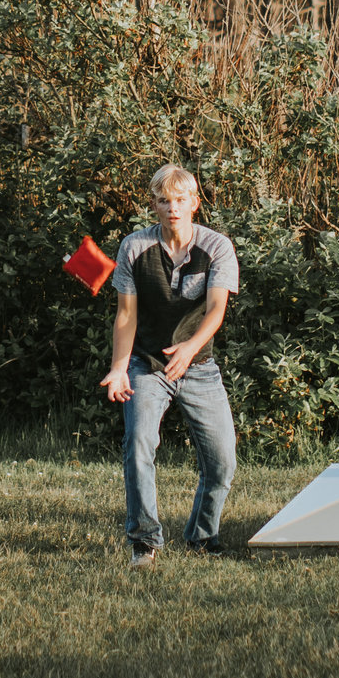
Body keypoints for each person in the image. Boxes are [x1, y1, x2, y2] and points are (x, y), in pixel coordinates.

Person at [97, 163, 240, 566]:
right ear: (154, 205)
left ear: (195, 203)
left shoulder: (217, 247)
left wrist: (190, 349)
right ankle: (144, 540)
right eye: (164, 201)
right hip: (147, 365)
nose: (173, 207)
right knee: (139, 444)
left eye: (180, 200)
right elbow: (126, 316)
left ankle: (202, 535)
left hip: (199, 365)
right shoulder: (134, 247)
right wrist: (119, 366)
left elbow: (215, 311)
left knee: (223, 460)